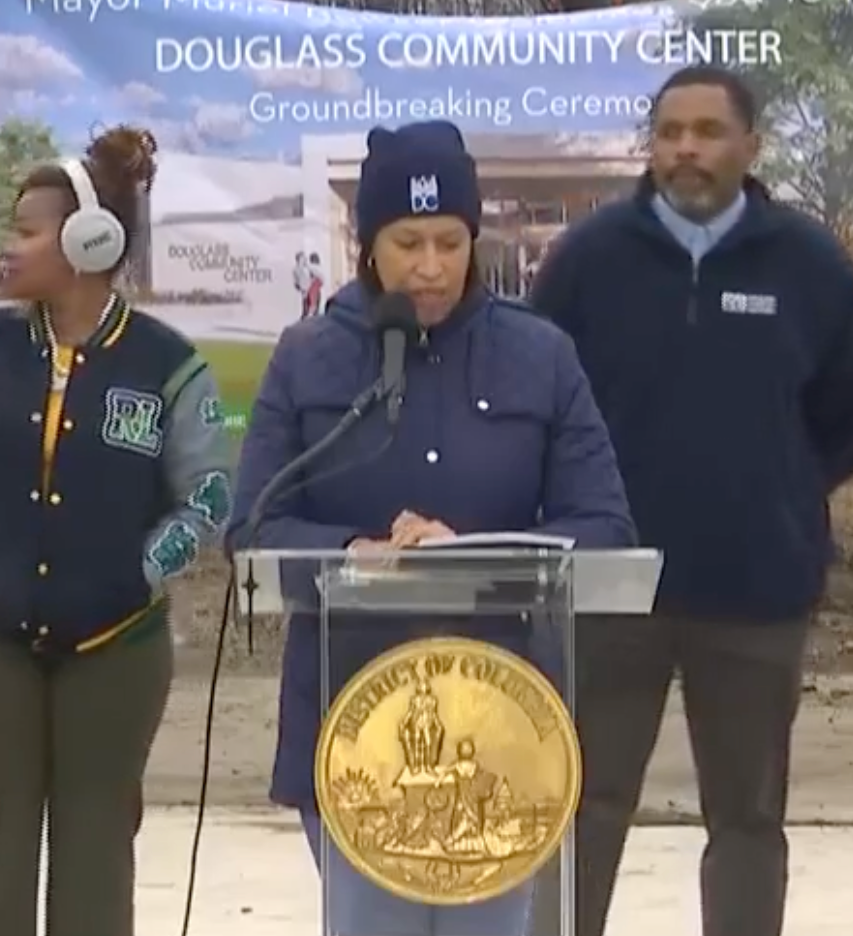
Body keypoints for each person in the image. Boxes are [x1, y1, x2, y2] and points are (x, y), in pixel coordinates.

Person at [227, 120, 637, 936]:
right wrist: (353, 554)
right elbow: (254, 528)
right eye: (407, 240)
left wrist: (477, 557)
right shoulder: (307, 357)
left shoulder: (542, 356)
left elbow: (606, 529)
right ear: (365, 241)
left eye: (450, 241)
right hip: (353, 720)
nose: (429, 265)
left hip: (504, 729)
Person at [528, 65, 853, 936]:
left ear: (751, 147)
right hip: (608, 590)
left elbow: (849, 415)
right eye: (670, 132)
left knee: (750, 818)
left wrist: (777, 493)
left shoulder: (809, 266)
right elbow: (538, 402)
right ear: (650, 145)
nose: (686, 150)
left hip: (756, 592)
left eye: (708, 132)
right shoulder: (589, 261)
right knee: (581, 804)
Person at [0, 125, 232, 936]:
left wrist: (139, 574)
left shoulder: (168, 366)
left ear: (89, 239)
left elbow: (211, 496)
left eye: (25, 229)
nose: (8, 248)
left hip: (118, 648)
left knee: (96, 854)